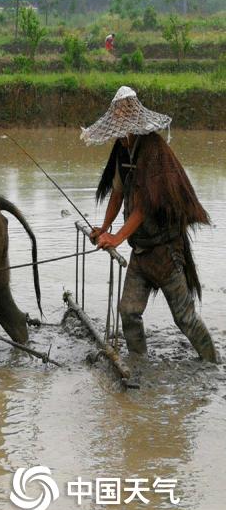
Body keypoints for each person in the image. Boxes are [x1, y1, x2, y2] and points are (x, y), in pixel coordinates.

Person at [81, 86, 218, 364]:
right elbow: (118, 193)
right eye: (115, 125)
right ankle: (139, 365)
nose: (119, 131)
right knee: (128, 311)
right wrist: (104, 228)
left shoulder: (153, 150)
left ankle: (214, 364)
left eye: (122, 124)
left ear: (134, 123)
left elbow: (144, 206)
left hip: (165, 252)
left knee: (185, 318)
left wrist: (117, 238)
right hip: (141, 251)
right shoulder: (122, 151)